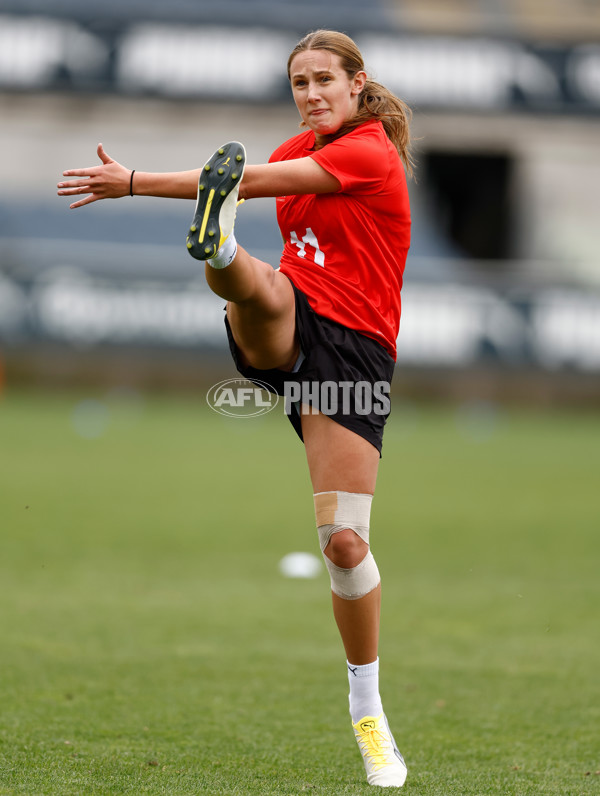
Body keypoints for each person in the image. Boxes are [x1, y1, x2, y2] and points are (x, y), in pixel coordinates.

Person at [58, 29, 413, 789]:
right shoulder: (300, 143)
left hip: (353, 358)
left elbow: (248, 179)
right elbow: (246, 178)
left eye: (324, 80)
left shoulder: (369, 151)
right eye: (300, 82)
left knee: (345, 544)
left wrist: (132, 182)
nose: (312, 93)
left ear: (357, 85)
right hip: (293, 316)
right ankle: (219, 250)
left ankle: (367, 710)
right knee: (261, 286)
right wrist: (147, 186)